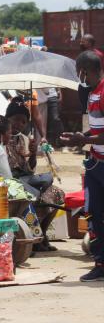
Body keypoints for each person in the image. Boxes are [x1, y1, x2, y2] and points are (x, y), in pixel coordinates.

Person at [60, 50, 104, 282]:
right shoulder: (93, 93)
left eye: (80, 72)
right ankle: (100, 263)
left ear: (85, 71)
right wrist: (82, 135)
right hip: (96, 163)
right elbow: (98, 130)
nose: (80, 77)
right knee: (93, 214)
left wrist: (83, 140)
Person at [5, 97, 63, 251]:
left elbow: (30, 170)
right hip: (11, 183)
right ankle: (32, 238)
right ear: (7, 118)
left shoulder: (24, 139)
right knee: (32, 194)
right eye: (16, 120)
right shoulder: (0, 138)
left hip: (25, 179)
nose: (19, 124)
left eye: (23, 122)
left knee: (56, 193)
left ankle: (42, 235)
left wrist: (32, 154)